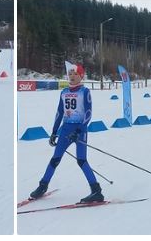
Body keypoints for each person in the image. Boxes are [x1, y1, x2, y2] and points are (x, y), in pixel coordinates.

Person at [29, 64, 103, 203]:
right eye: (70, 74)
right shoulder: (63, 92)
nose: (72, 76)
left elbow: (88, 113)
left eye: (75, 74)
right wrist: (54, 132)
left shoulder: (85, 91)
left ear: (81, 76)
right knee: (55, 159)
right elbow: (59, 112)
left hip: (80, 131)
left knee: (81, 161)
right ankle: (42, 186)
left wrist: (80, 129)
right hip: (65, 130)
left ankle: (96, 191)